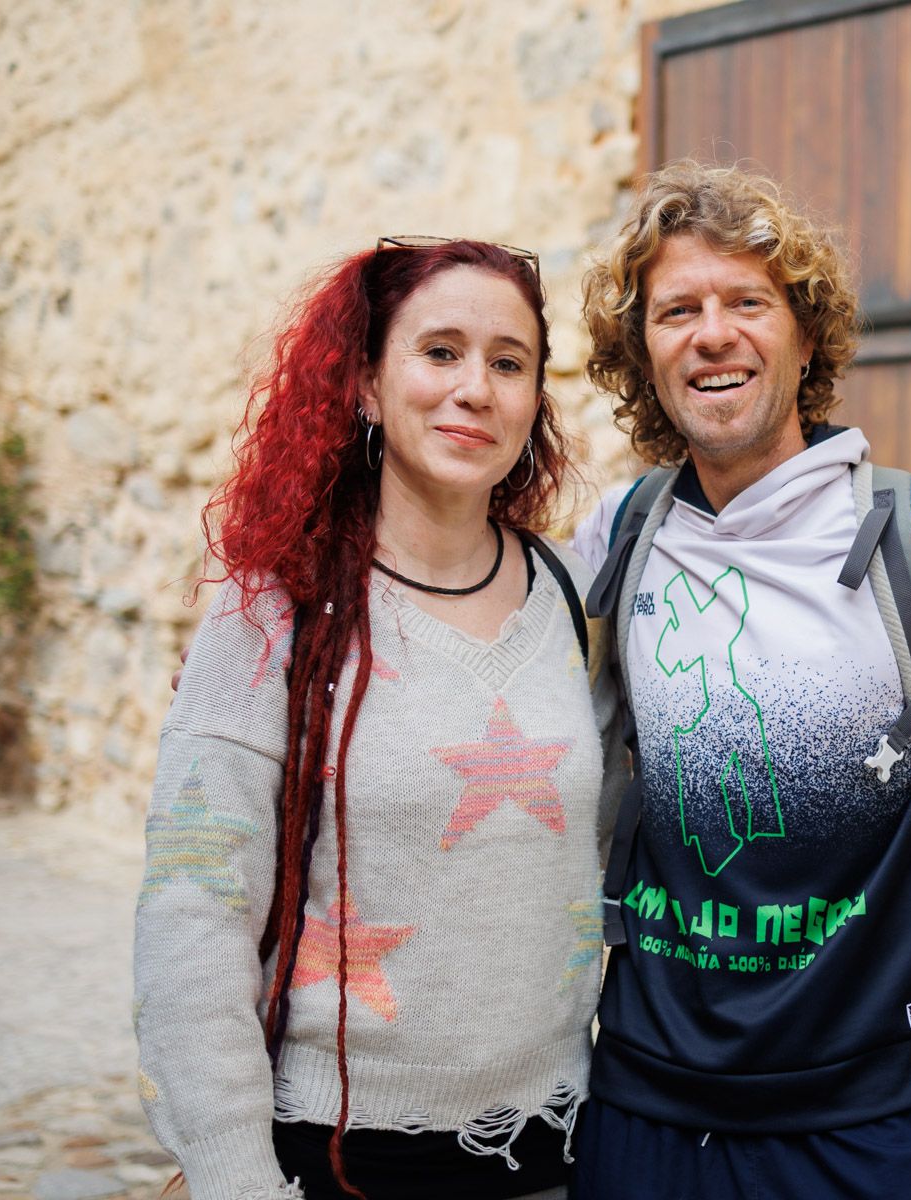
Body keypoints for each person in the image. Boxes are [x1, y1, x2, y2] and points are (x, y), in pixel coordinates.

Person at [566, 161, 911, 1198]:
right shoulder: (618, 535)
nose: (712, 334)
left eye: (748, 302)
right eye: (677, 311)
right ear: (642, 352)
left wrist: (900, 992)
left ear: (805, 337)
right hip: (646, 1108)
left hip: (872, 1121)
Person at [134, 237, 622, 1200]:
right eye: (439, 352)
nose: (474, 388)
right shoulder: (274, 608)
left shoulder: (565, 596)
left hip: (555, 1152)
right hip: (337, 1160)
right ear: (364, 384)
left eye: (509, 363)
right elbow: (194, 911)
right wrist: (231, 1175)